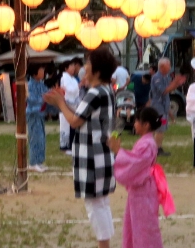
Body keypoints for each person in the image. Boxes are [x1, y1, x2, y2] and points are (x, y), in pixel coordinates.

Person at [44, 45, 118, 248]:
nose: (85, 67)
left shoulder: (95, 92)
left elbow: (75, 121)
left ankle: (104, 245)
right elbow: (88, 116)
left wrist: (59, 103)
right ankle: (105, 244)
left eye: (88, 64)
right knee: (101, 203)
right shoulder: (107, 91)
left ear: (97, 70)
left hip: (92, 154)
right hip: (102, 152)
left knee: (95, 204)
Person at [109, 107, 170, 248]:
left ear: (146, 125)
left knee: (145, 230)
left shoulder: (147, 144)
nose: (134, 123)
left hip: (144, 192)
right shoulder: (146, 142)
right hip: (140, 192)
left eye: (137, 121)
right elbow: (135, 161)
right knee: (134, 227)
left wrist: (118, 150)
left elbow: (135, 163)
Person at [148, 58, 180, 157]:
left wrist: (175, 83)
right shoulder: (157, 77)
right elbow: (163, 91)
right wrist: (175, 83)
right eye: (168, 65)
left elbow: (168, 90)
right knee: (160, 128)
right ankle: (157, 149)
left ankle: (158, 147)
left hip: (164, 107)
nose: (170, 68)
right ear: (162, 66)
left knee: (163, 127)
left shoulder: (165, 77)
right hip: (158, 107)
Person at [26, 64, 49, 172]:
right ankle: (33, 163)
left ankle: (39, 161)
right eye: (41, 70)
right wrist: (44, 98)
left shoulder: (41, 84)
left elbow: (47, 93)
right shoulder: (30, 85)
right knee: (35, 138)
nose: (43, 72)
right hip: (33, 113)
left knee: (41, 139)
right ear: (35, 72)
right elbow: (31, 99)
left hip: (40, 113)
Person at [58, 58, 82, 155]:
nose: (73, 68)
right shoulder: (64, 78)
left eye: (73, 66)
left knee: (72, 125)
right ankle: (65, 146)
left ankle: (71, 145)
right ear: (66, 68)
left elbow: (76, 91)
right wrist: (79, 85)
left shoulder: (72, 78)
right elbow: (69, 90)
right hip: (67, 104)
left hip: (74, 104)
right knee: (65, 126)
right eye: (71, 66)